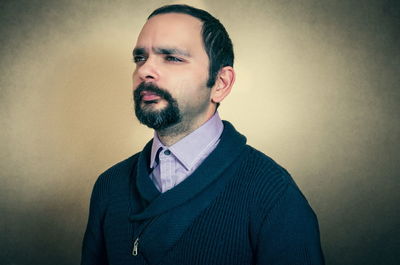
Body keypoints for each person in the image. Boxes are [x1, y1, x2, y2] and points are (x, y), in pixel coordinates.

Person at [81, 4, 324, 265]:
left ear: (220, 84)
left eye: (172, 57)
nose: (144, 71)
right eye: (140, 58)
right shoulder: (109, 186)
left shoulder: (271, 192)